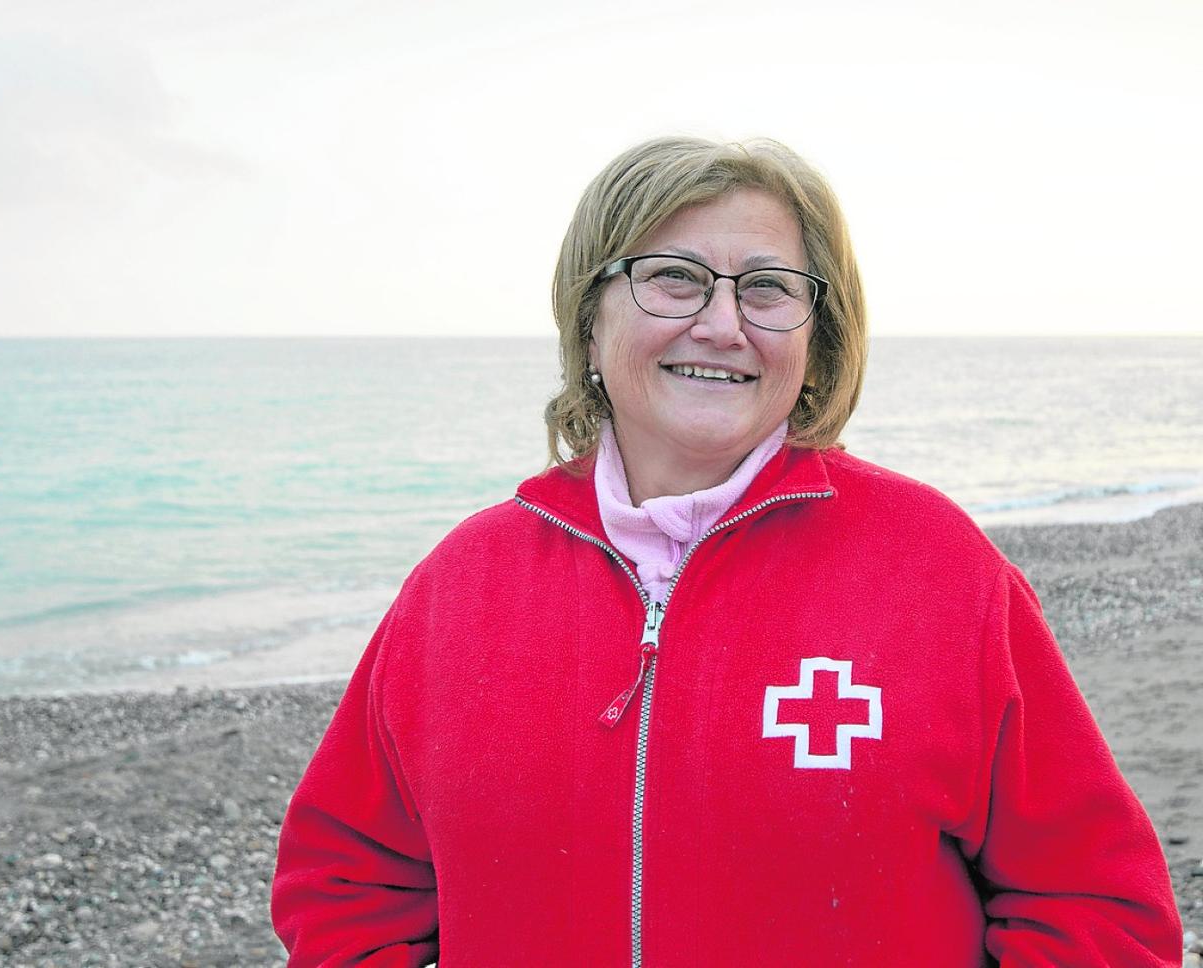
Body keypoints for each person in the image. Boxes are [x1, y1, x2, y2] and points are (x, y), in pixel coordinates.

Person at [271, 137, 1182, 966]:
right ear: (589, 319)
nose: (721, 325)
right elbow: (343, 892)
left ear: (817, 339)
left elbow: (1101, 911)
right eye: (672, 277)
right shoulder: (459, 588)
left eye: (768, 288)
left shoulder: (938, 570)